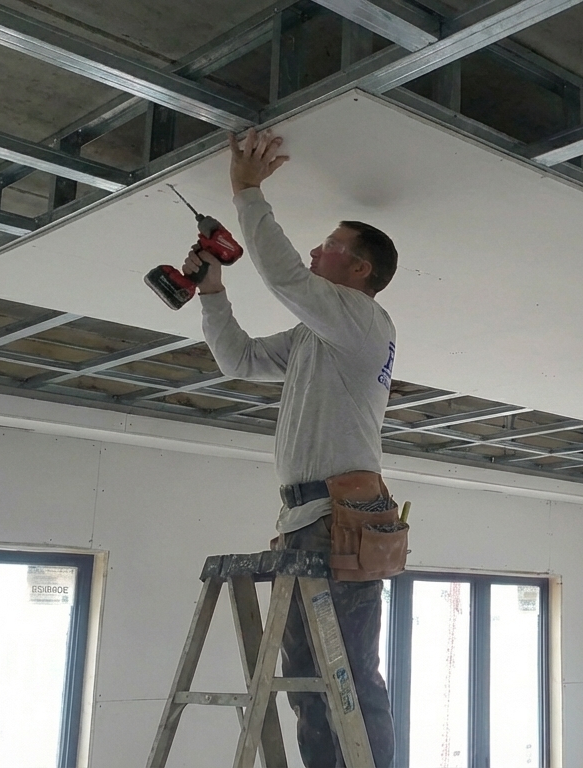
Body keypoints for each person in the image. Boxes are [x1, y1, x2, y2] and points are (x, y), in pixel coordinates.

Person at [187, 127, 399, 767]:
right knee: (312, 686)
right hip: (310, 516)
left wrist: (248, 191)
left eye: (331, 245)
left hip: (342, 515)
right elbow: (241, 361)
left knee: (350, 680)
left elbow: (282, 275)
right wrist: (212, 291)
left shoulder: (360, 319)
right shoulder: (318, 337)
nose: (316, 249)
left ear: (358, 270)